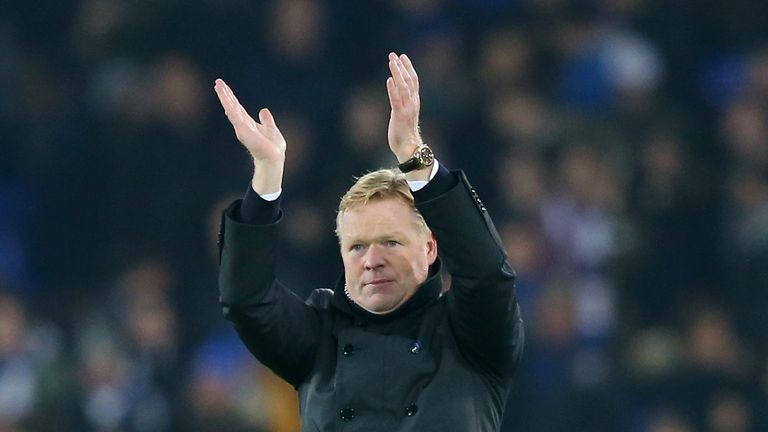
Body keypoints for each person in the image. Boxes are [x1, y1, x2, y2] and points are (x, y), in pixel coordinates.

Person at [214, 52, 524, 431]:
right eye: (357, 247)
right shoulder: (317, 338)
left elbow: (488, 274)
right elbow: (247, 300)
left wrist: (414, 157)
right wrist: (265, 179)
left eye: (390, 242)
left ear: (429, 248)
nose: (372, 259)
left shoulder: (471, 335)